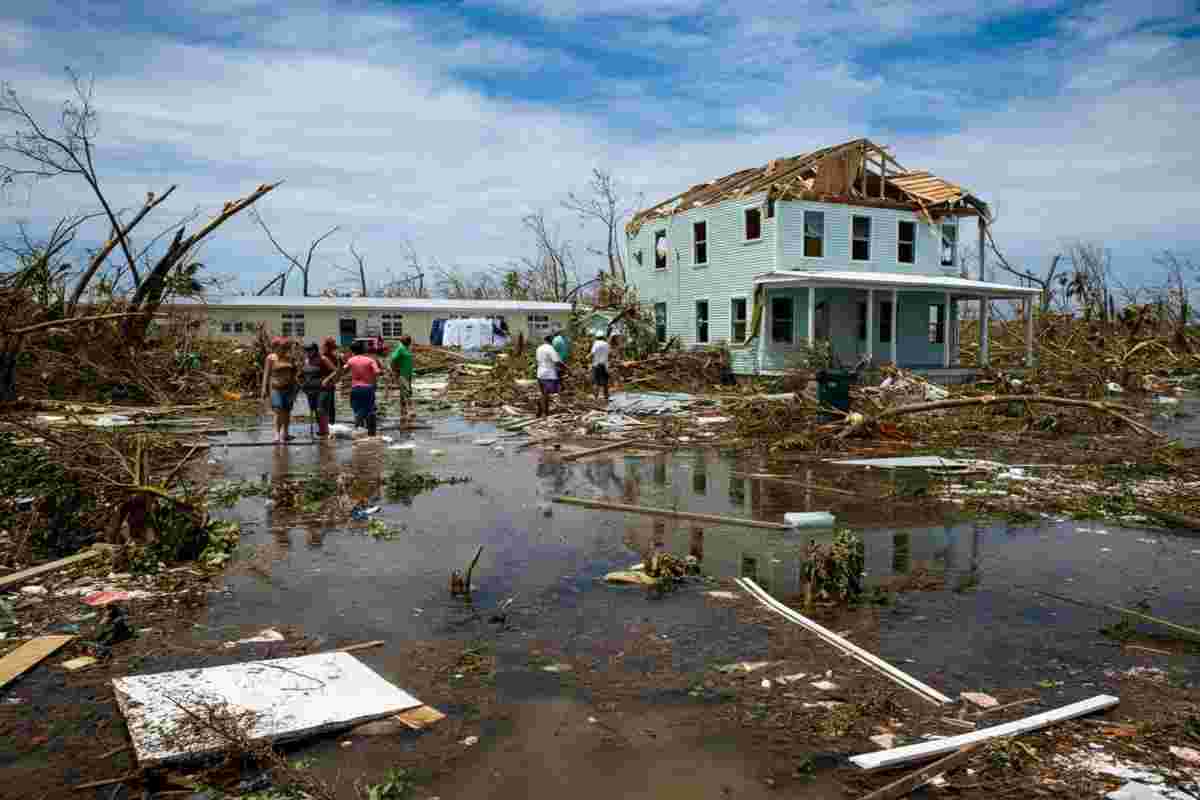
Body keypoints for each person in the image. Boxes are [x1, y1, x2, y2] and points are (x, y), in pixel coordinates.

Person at [260, 336, 298, 443]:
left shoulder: (290, 358)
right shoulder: (271, 358)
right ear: (276, 347)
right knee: (278, 410)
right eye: (280, 347)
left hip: (289, 388)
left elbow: (295, 374)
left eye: (285, 347)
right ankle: (276, 434)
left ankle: (285, 433)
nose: (282, 349)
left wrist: (296, 389)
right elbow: (266, 374)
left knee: (287, 410)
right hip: (276, 388)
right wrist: (264, 389)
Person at [300, 342, 337, 438]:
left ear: (315, 350)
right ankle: (321, 430)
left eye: (310, 350)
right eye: (306, 351)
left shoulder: (323, 359)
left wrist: (327, 379)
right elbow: (302, 373)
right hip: (310, 389)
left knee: (320, 408)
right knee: (314, 410)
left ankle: (325, 430)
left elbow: (335, 371)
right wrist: (302, 384)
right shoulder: (306, 360)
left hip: (323, 388)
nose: (308, 352)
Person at [345, 339, 381, 436]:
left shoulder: (350, 360)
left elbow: (343, 370)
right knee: (370, 411)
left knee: (357, 410)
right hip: (368, 388)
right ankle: (371, 434)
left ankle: (358, 430)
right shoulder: (370, 360)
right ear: (364, 350)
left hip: (355, 388)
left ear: (353, 351)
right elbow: (377, 372)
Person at [535, 333, 565, 418]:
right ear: (551, 340)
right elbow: (557, 361)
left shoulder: (539, 348)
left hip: (540, 373)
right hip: (549, 374)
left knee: (544, 393)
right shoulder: (550, 349)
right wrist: (566, 369)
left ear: (544, 340)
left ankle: (542, 410)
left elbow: (538, 361)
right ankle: (543, 411)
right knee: (548, 393)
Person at [388, 334, 414, 419]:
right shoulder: (400, 349)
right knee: (407, 392)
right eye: (408, 341)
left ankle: (403, 412)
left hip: (408, 374)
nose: (410, 342)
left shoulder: (406, 348)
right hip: (402, 374)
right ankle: (410, 411)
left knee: (404, 393)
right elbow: (392, 359)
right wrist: (395, 370)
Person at [320, 337, 342, 425]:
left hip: (328, 382)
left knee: (328, 404)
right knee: (325, 404)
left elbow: (338, 370)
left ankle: (329, 423)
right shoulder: (324, 356)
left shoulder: (332, 357)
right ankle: (327, 423)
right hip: (323, 382)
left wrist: (334, 379)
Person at [589, 333, 610, 402]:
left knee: (596, 382)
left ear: (596, 337)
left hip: (596, 365)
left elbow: (592, 353)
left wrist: (587, 358)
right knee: (605, 383)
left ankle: (596, 398)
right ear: (603, 337)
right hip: (604, 365)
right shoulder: (606, 344)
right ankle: (606, 397)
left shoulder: (596, 343)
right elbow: (608, 354)